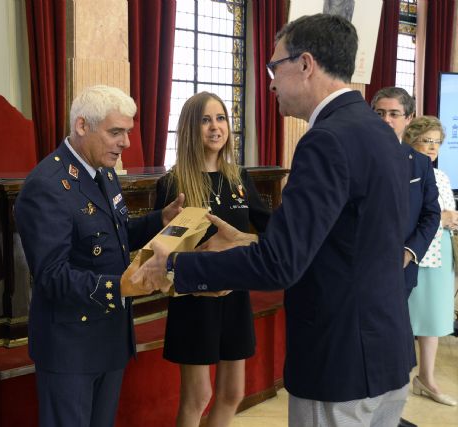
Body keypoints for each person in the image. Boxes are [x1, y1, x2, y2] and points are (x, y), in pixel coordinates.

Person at [134, 14, 415, 426]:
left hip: (339, 359)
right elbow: (344, 244)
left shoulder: (325, 140)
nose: (269, 82)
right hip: (386, 349)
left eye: (273, 67)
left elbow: (281, 263)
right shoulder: (380, 134)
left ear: (305, 65)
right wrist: (250, 243)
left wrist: (175, 265)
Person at [14, 85, 184, 427]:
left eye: (128, 132)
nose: (126, 143)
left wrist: (159, 220)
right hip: (70, 346)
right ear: (81, 126)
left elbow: (114, 236)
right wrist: (120, 286)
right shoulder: (46, 185)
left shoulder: (104, 172)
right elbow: (51, 275)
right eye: (115, 132)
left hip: (109, 337)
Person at [154, 92, 270, 427]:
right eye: (205, 120)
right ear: (190, 128)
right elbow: (162, 251)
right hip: (194, 298)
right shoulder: (174, 182)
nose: (215, 127)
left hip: (235, 294)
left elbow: (269, 230)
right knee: (198, 397)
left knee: (233, 393)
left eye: (220, 119)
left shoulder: (239, 179)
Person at [371, 87, 441, 427]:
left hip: (401, 270)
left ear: (408, 119)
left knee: (394, 344)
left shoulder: (420, 164)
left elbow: (431, 214)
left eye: (393, 113)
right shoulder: (356, 156)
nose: (385, 120)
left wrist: (411, 251)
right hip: (360, 268)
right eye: (380, 113)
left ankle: (388, 415)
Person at [402, 116, 458, 407]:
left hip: (441, 253)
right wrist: (444, 219)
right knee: (406, 320)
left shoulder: (444, 176)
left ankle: (426, 378)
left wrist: (452, 220)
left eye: (437, 142)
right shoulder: (404, 170)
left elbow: (446, 215)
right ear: (411, 140)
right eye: (426, 140)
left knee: (434, 320)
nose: (432, 147)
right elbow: (412, 218)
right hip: (414, 254)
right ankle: (396, 381)